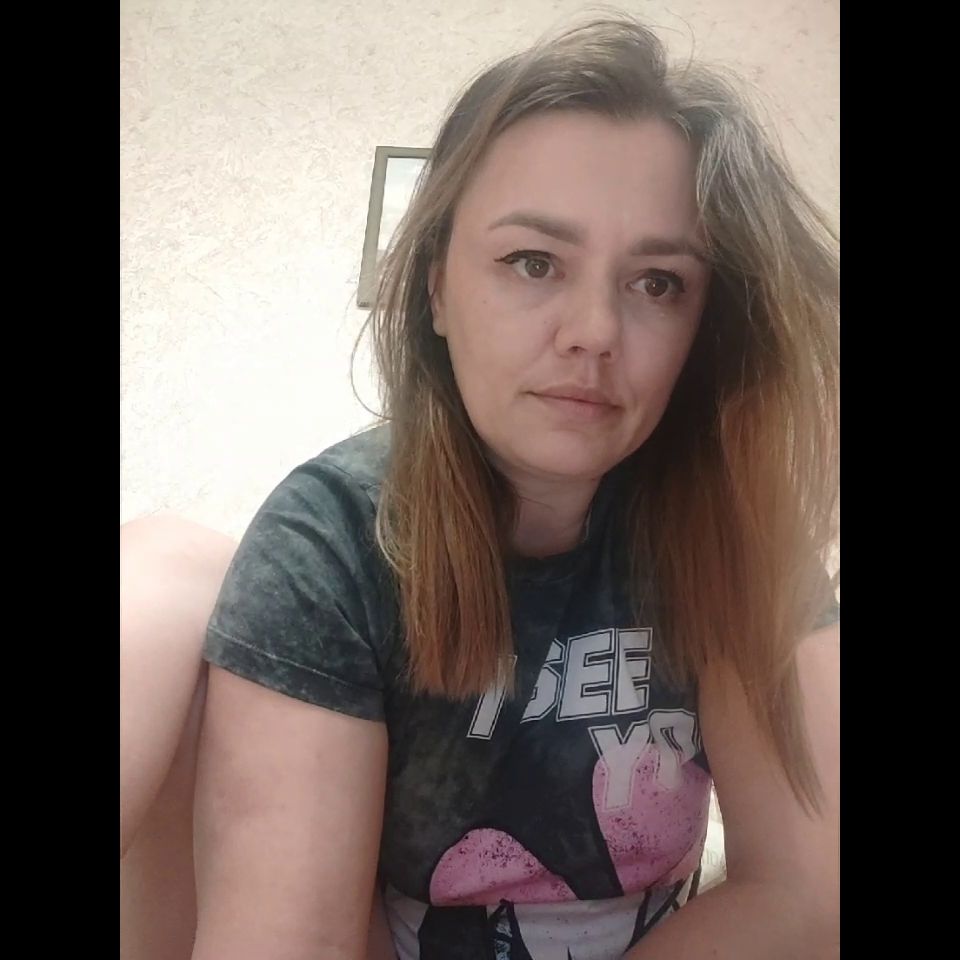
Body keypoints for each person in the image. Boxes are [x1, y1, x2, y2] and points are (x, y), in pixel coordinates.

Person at [120, 16, 840, 960]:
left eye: (658, 283)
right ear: (435, 291)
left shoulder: (733, 529)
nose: (594, 331)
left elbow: (806, 894)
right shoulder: (331, 541)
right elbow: (296, 938)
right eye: (532, 263)